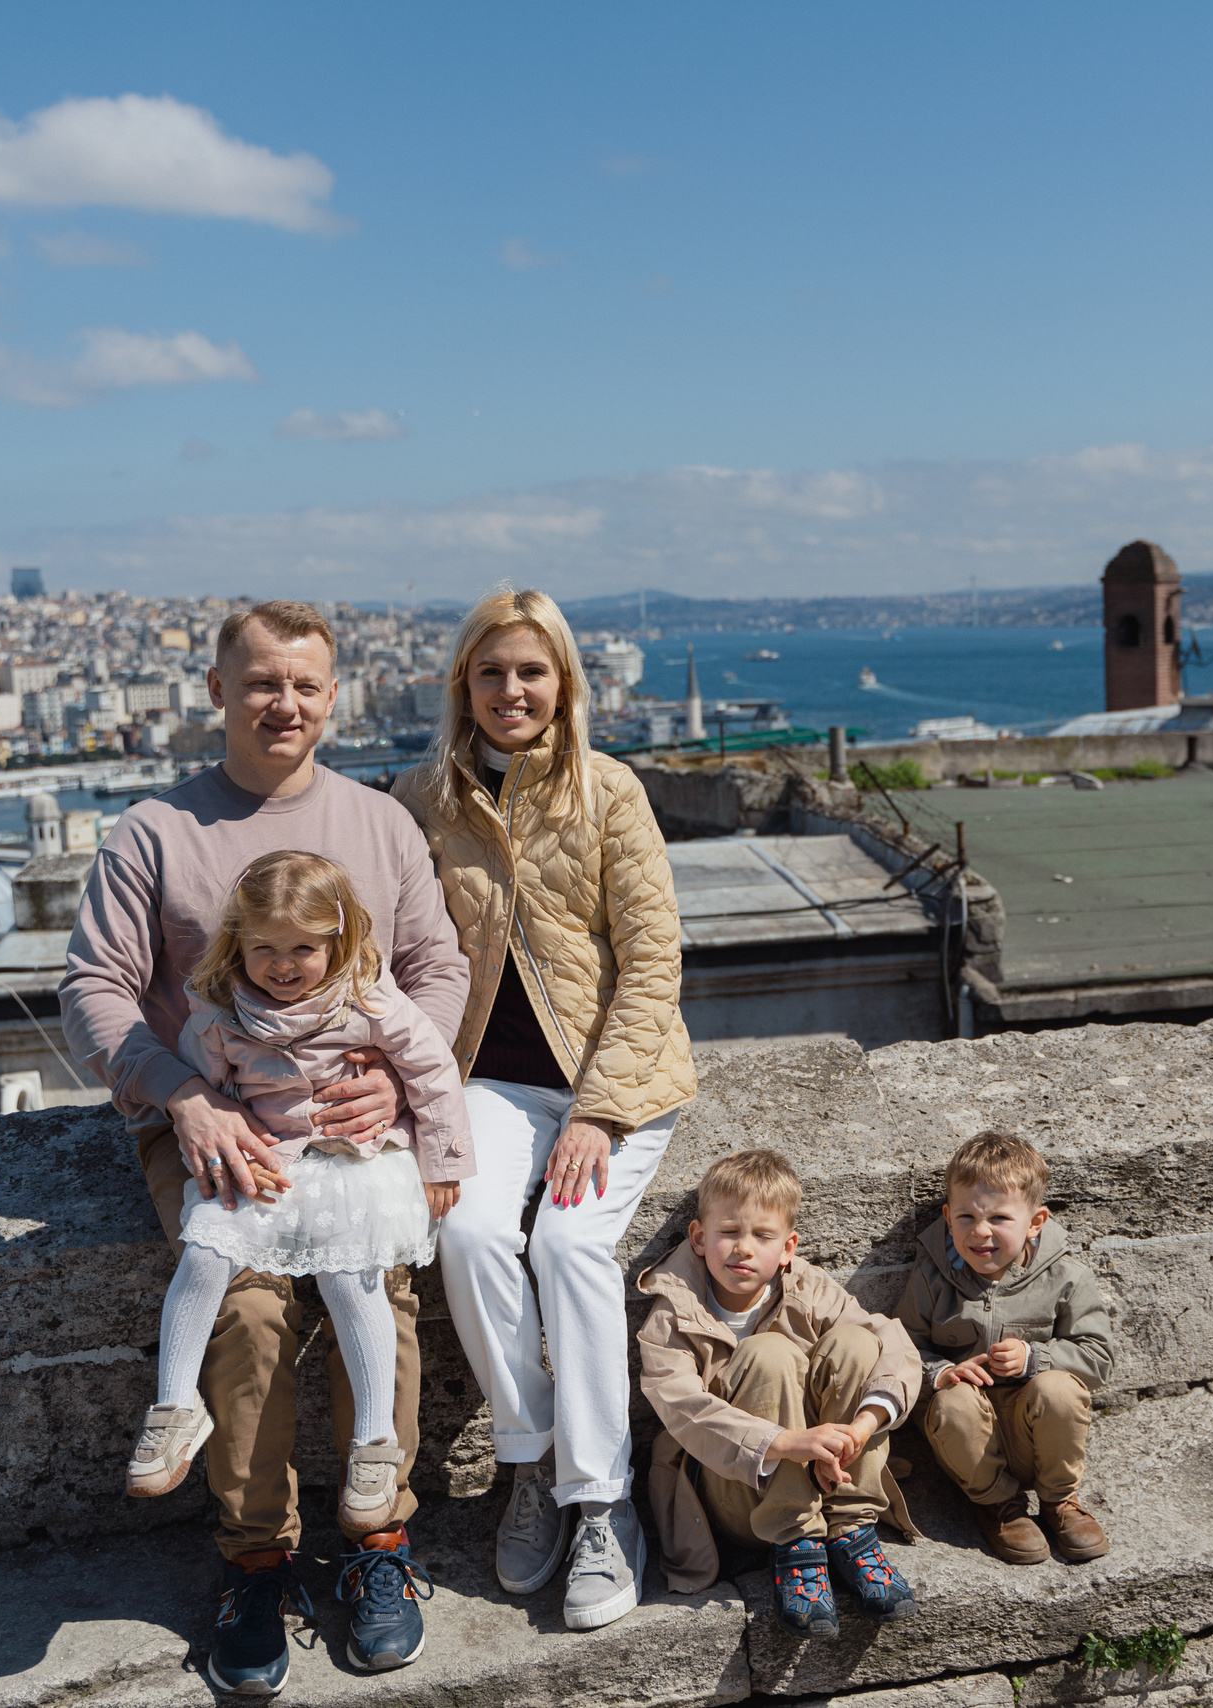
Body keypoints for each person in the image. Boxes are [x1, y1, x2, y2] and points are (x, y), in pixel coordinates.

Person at [63, 601, 469, 1697]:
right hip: (219, 1123)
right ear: (216, 691)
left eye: (303, 685)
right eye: (259, 684)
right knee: (242, 1309)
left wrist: (394, 1076)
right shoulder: (154, 832)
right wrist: (181, 1094)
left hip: (353, 1129)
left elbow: (436, 970)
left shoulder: (381, 824)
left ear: (331, 695)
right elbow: (94, 988)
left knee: (374, 1289)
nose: (281, 704)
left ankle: (379, 1538)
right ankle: (257, 1558)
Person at [393, 585, 696, 1633]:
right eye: (491, 671)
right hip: (488, 1081)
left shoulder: (608, 790)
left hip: (614, 1083)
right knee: (470, 1227)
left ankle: (600, 1499)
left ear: (563, 682)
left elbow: (654, 961)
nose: (510, 690)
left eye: (530, 671)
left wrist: (599, 1114)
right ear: (462, 685)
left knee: (569, 1246)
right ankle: (531, 1462)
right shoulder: (423, 798)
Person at [129, 851, 473, 1623]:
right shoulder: (218, 1015)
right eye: (266, 950)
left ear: (338, 942)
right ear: (238, 946)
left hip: (353, 1159)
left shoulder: (368, 999)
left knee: (359, 1279)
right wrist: (208, 1131)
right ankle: (174, 1409)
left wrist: (443, 1156)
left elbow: (433, 1069)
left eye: (304, 950)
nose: (284, 968)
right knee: (210, 1256)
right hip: (272, 1158)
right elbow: (201, 1085)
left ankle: (378, 1456)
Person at [635, 1149, 922, 1636]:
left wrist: (862, 1425)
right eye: (729, 1232)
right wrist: (785, 1443)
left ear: (788, 1247)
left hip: (831, 1484)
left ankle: (851, 1529)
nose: (743, 1249)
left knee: (858, 1342)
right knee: (770, 1353)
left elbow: (893, 1345)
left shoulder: (808, 1286)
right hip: (739, 1496)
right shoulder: (674, 1311)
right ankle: (797, 1547)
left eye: (762, 1236)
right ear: (700, 1238)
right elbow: (682, 1407)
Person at [898, 1130, 1116, 1566]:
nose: (980, 1232)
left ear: (1036, 1222)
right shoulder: (931, 1279)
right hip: (967, 1446)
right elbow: (901, 1349)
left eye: (999, 1218)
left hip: (1036, 1435)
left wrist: (1036, 1358)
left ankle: (1059, 1502)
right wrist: (940, 1372)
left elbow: (1098, 1358)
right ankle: (999, 1505)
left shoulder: (1067, 1277)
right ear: (947, 1216)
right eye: (965, 1218)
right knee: (954, 1403)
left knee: (1060, 1388)